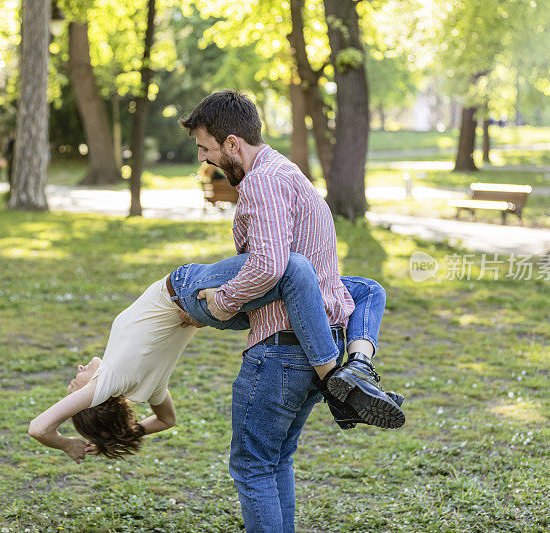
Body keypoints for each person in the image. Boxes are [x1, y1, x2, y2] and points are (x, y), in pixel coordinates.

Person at [178, 90, 403, 532]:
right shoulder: (289, 173)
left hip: (280, 352)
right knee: (277, 459)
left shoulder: (262, 181)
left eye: (206, 149)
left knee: (252, 466)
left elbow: (268, 266)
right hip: (317, 348)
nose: (206, 161)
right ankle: (355, 370)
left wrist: (221, 304)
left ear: (232, 143)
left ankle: (351, 379)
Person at [28, 253, 403, 461]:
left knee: (363, 291)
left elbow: (167, 420)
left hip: (206, 310)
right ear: (92, 400)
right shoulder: (108, 381)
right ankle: (337, 383)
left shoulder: (146, 385)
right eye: (73, 384)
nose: (77, 372)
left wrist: (126, 432)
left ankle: (357, 370)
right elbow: (38, 428)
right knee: (289, 267)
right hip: (191, 290)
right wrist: (68, 443)